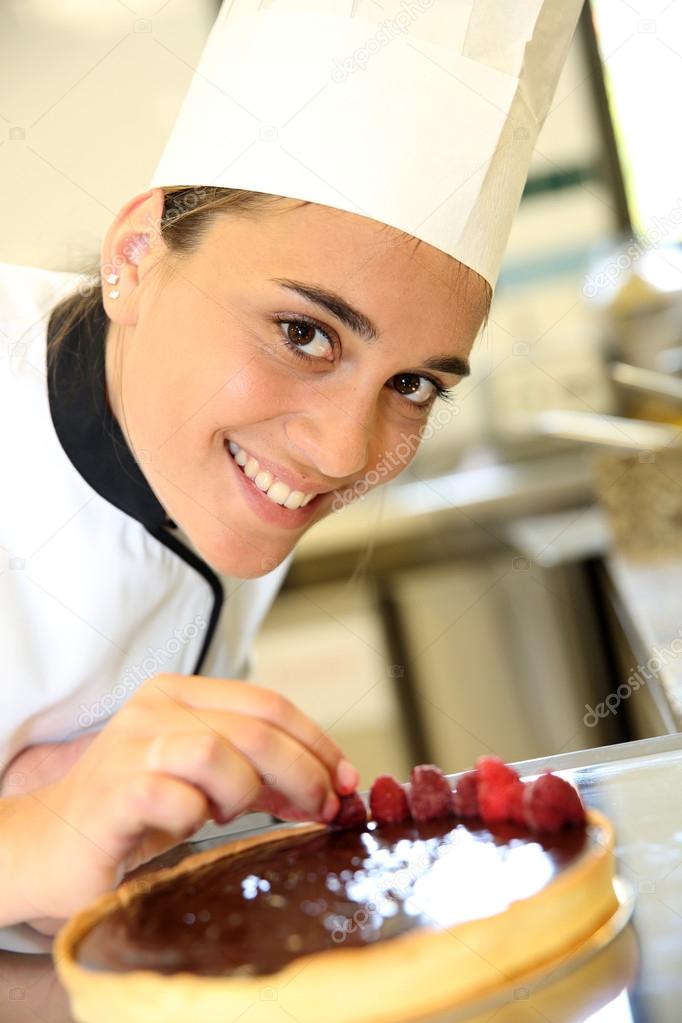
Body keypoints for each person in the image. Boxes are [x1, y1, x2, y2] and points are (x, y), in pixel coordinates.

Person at [0, 0, 582, 938]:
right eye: (303, 333)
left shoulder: (203, 458)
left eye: (415, 383)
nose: (344, 452)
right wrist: (22, 842)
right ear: (136, 257)